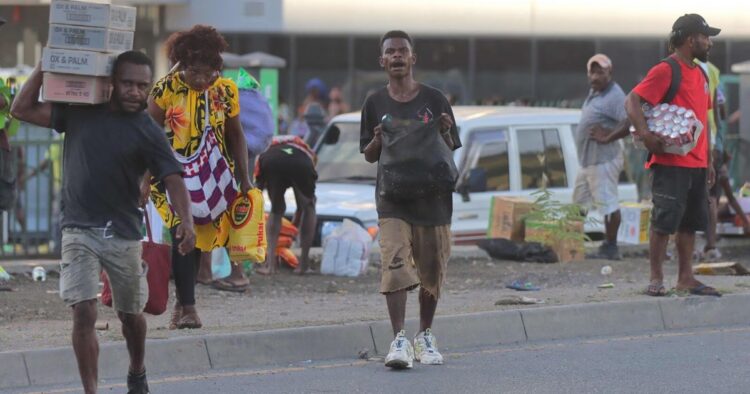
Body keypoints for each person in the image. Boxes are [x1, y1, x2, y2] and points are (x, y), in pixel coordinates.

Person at [11, 51, 195, 394]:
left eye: (142, 86)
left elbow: (172, 177)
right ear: (110, 83)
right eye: (127, 83)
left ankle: (137, 370)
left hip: (124, 233)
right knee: (83, 312)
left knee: (131, 315)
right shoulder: (80, 113)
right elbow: (20, 109)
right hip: (78, 229)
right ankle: (90, 390)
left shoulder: (147, 130)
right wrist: (44, 63)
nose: (135, 92)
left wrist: (186, 220)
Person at [360, 30, 461, 369]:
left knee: (432, 270)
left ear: (413, 58)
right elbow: (369, 155)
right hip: (393, 200)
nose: (398, 56)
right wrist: (376, 139)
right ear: (382, 60)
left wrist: (445, 129)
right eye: (391, 52)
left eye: (403, 51)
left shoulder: (434, 98)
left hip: (433, 200)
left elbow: (451, 145)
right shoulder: (374, 103)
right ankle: (399, 339)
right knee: (394, 263)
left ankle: (426, 336)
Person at [144, 25, 253, 325]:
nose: (202, 79)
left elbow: (236, 135)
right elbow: (147, 137)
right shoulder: (164, 90)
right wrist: (143, 180)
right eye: (194, 71)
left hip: (213, 178)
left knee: (199, 240)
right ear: (182, 63)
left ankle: (181, 306)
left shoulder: (226, 89)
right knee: (183, 231)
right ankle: (189, 308)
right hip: (171, 176)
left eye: (208, 72)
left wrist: (245, 177)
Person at [625, 14, 721, 297]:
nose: (709, 43)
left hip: (698, 164)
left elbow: (704, 119)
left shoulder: (702, 74)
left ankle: (685, 278)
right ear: (691, 39)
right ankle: (656, 279)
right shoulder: (666, 70)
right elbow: (632, 100)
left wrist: (710, 160)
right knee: (664, 221)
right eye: (705, 37)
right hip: (670, 164)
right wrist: (645, 134)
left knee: (690, 223)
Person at [573, 54, 629, 260]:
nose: (595, 77)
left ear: (609, 73)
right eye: (592, 72)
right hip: (587, 161)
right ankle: (571, 245)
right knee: (578, 203)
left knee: (608, 204)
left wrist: (608, 137)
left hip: (603, 160)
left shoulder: (614, 95)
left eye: (600, 72)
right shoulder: (595, 93)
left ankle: (611, 247)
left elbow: (630, 121)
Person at [255, 135, 317, 275]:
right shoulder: (306, 152)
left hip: (272, 161)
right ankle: (303, 265)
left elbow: (257, 187)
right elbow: (303, 207)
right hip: (301, 163)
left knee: (276, 210)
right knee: (309, 206)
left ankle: (270, 266)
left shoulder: (269, 146)